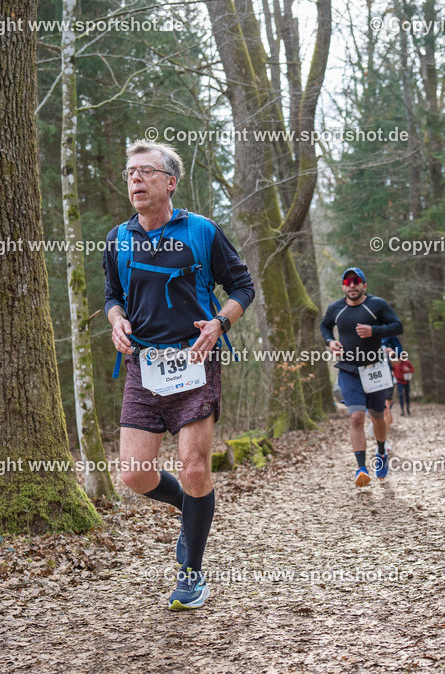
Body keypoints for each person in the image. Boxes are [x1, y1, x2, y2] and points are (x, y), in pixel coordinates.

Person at [103, 140, 254, 610]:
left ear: (170, 182)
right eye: (130, 173)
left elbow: (243, 286)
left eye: (145, 172)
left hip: (193, 361)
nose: (135, 180)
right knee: (133, 475)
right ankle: (190, 508)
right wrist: (116, 322)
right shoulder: (117, 239)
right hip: (143, 367)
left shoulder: (202, 231)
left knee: (194, 467)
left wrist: (220, 321)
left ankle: (191, 574)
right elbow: (112, 295)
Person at [320, 267, 403, 486]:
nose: (352, 285)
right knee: (356, 417)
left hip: (374, 370)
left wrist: (374, 331)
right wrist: (330, 342)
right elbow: (325, 325)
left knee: (377, 416)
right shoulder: (335, 308)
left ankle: (382, 452)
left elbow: (397, 326)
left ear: (364, 285)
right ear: (343, 286)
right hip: (348, 370)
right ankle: (361, 469)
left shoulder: (377, 305)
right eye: (347, 282)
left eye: (356, 281)